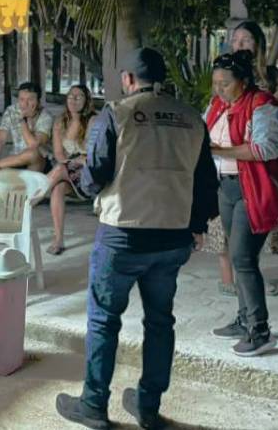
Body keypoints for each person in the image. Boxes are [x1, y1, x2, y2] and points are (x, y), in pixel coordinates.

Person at [51, 48, 218, 430]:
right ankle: (147, 405)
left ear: (128, 79)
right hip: (173, 238)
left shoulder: (118, 114)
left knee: (104, 321)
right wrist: (196, 227)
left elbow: (95, 178)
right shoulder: (192, 118)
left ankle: (94, 405)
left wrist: (79, 176)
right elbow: (207, 182)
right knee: (160, 322)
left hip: (122, 239)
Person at [205, 51, 278, 357]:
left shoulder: (262, 105)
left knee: (243, 259)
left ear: (243, 82)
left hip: (252, 189)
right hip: (227, 188)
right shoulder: (219, 105)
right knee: (236, 254)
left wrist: (219, 150)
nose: (219, 89)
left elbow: (264, 148)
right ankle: (244, 319)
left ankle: (260, 330)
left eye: (226, 83)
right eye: (215, 83)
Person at [46, 85, 96, 255]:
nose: (73, 100)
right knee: (58, 188)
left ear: (87, 100)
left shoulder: (93, 120)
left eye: (79, 96)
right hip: (69, 169)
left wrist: (74, 161)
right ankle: (58, 240)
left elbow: (91, 155)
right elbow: (59, 154)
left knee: (60, 168)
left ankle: (28, 198)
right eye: (70, 96)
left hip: (89, 173)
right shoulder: (60, 122)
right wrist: (72, 161)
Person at [0, 82, 53, 174]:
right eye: (21, 99)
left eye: (30, 99)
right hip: (16, 158)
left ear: (38, 101)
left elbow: (33, 145)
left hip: (40, 160)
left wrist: (22, 120)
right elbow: (0, 139)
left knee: (32, 153)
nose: (25, 104)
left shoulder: (45, 117)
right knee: (5, 179)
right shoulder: (12, 111)